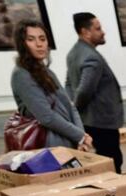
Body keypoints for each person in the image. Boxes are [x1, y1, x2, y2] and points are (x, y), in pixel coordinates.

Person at [10, 20, 92, 151]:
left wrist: (81, 137)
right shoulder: (21, 74)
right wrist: (79, 136)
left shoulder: (46, 72)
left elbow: (70, 106)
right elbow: (46, 117)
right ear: (22, 44)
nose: (39, 44)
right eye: (31, 39)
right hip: (49, 144)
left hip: (68, 139)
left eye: (42, 39)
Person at [65, 12, 124, 173]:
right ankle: (114, 191)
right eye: (98, 29)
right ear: (85, 32)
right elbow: (85, 90)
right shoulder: (91, 57)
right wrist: (75, 107)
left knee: (103, 157)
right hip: (101, 121)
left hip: (88, 120)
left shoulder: (73, 53)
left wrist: (72, 108)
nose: (103, 32)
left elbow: (69, 83)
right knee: (112, 159)